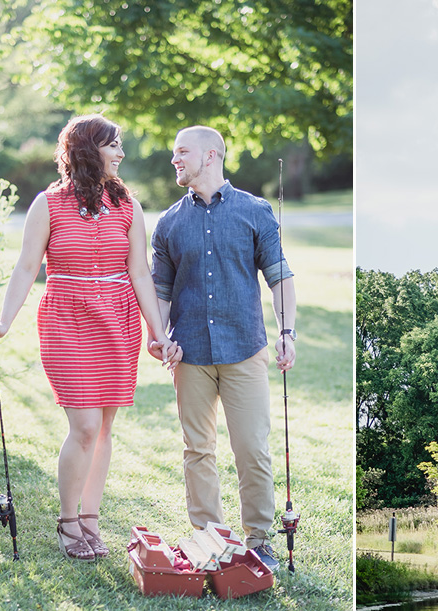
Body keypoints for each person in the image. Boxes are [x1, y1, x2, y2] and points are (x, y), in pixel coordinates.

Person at [0, 114, 181, 562]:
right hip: (66, 319)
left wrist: (158, 332)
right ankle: (68, 521)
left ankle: (91, 520)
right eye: (114, 145)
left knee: (105, 427)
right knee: (85, 425)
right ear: (89, 149)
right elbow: (26, 267)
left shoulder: (128, 203)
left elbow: (139, 272)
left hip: (119, 319)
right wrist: (5, 320)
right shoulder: (48, 203)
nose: (121, 154)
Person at [148, 126, 296, 572]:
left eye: (182, 153)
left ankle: (260, 540)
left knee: (252, 448)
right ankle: (209, 539)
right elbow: (159, 290)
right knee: (198, 450)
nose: (174, 161)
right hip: (189, 354)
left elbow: (280, 277)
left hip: (245, 350)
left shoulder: (255, 211)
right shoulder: (169, 223)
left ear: (210, 155)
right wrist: (158, 336)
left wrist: (287, 331)